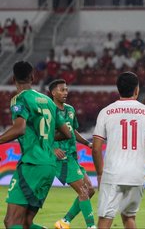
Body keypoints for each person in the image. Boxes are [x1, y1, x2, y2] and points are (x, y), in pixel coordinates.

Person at [92, 72, 145, 229]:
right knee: (129, 218)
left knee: (105, 219)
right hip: (137, 175)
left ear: (118, 89)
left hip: (112, 174)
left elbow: (96, 148)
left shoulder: (106, 112)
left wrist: (100, 173)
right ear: (137, 89)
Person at [1, 61, 72, 229]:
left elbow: (19, 128)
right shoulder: (48, 101)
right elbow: (66, 133)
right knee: (26, 223)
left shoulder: (20, 99)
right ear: (32, 77)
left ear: (13, 79)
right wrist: (46, 140)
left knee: (11, 222)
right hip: (48, 165)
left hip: (32, 164)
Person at [49, 79, 95, 229]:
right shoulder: (48, 111)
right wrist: (52, 149)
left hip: (72, 156)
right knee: (83, 190)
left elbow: (71, 130)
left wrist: (87, 143)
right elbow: (41, 134)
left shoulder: (70, 109)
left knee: (90, 190)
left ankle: (64, 222)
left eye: (66, 90)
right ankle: (91, 226)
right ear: (53, 92)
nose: (65, 93)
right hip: (60, 157)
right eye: (62, 90)